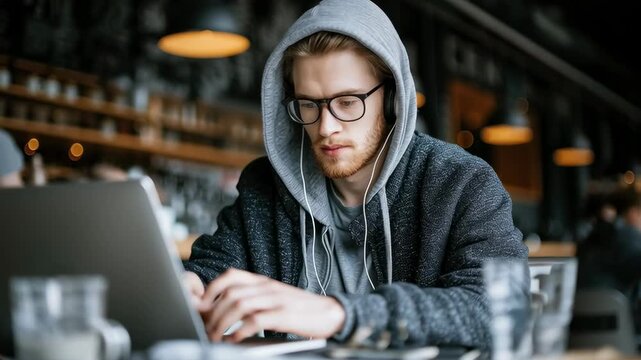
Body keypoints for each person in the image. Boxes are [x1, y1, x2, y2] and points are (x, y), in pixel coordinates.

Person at [183, 0, 529, 349]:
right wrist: (192, 286)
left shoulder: (460, 182)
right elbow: (215, 271)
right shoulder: (265, 186)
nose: (326, 126)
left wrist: (337, 313)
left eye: (347, 102)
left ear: (392, 98)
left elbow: (502, 308)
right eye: (308, 103)